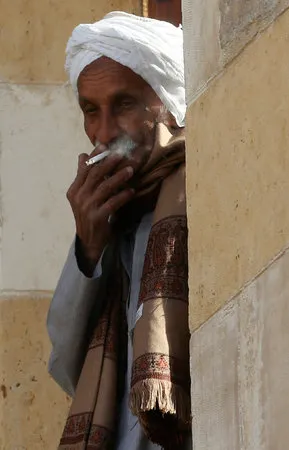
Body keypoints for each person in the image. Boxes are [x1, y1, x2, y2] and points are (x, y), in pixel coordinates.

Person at [46, 11, 191, 450]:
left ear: (166, 102)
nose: (104, 132)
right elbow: (67, 367)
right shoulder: (116, 215)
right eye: (91, 110)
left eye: (124, 105)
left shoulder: (199, 187)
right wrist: (89, 248)